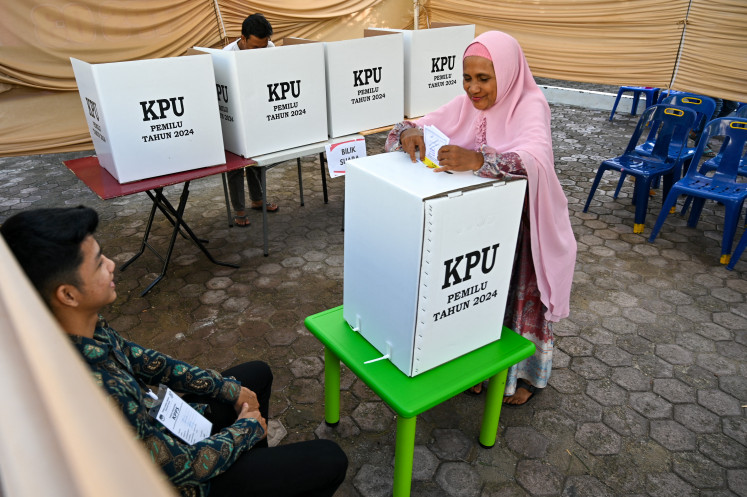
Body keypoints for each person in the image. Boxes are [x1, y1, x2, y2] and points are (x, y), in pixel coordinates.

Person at [0, 206, 347, 497]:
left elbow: (152, 364)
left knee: (254, 375)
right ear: (68, 295)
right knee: (329, 459)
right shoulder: (91, 390)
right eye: (97, 263)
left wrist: (232, 391)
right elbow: (182, 469)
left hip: (162, 433)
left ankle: (254, 473)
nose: (111, 264)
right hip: (179, 481)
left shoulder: (79, 328)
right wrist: (246, 429)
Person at [385, 31, 577, 406]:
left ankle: (524, 377)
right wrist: (410, 133)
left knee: (514, 298)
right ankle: (475, 368)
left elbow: (535, 159)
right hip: (478, 226)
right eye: (467, 77)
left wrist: (479, 160)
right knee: (473, 296)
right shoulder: (464, 105)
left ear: (506, 73)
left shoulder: (530, 105)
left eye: (484, 79)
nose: (473, 88)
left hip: (523, 228)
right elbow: (407, 128)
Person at [224, 13, 279, 227]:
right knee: (236, 165)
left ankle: (257, 200)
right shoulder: (226, 55)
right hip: (234, 115)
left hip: (257, 110)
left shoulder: (270, 48)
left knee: (257, 157)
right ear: (243, 38)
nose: (260, 51)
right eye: (255, 47)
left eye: (263, 47)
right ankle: (238, 208)